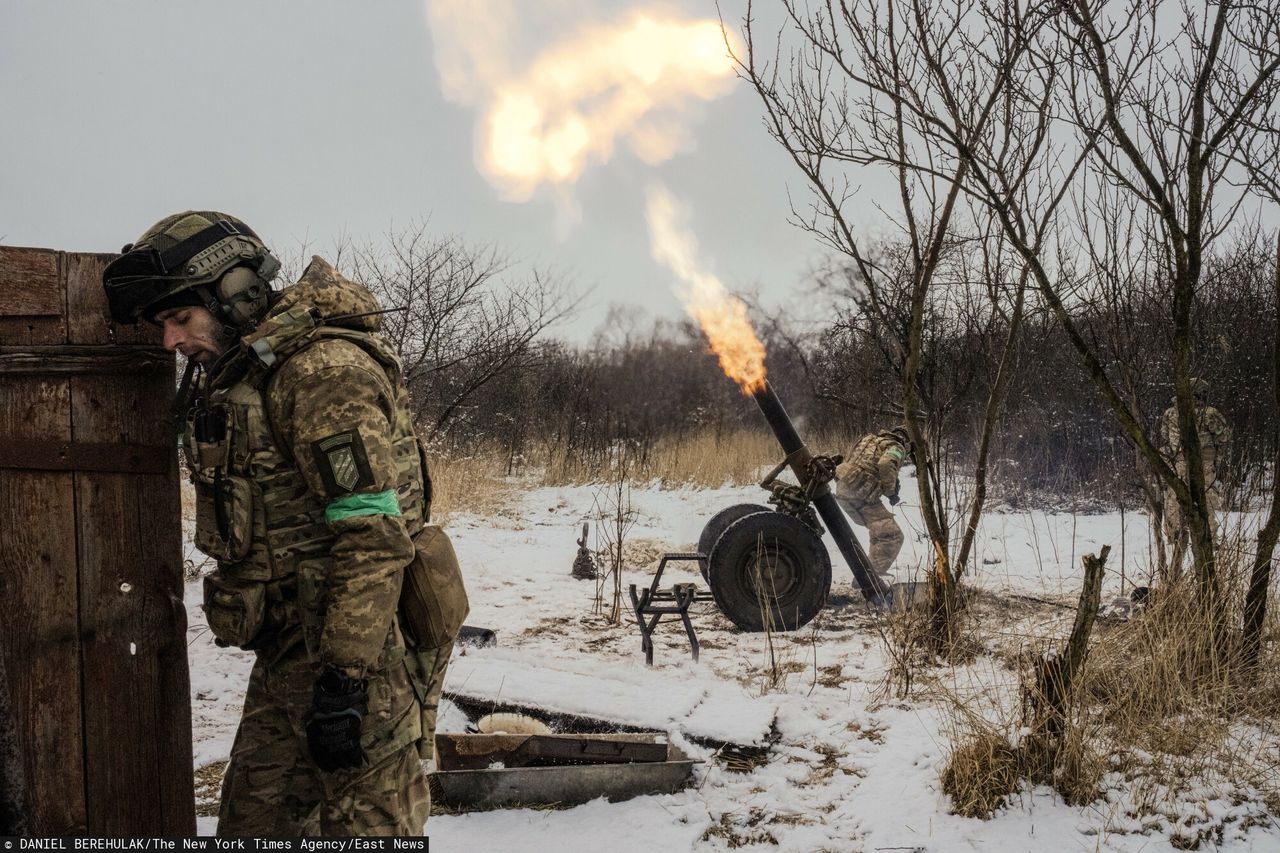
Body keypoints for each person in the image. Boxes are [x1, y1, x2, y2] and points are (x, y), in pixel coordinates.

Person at [102, 211, 466, 836]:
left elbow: (373, 534)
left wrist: (344, 684)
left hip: (356, 662)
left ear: (237, 290)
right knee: (255, 823)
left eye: (179, 320)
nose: (170, 343)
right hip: (289, 653)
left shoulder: (322, 374)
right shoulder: (250, 371)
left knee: (367, 831)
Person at [1159, 377, 1232, 573]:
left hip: (1177, 462)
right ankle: (1208, 537)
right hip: (1203, 463)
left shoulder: (1170, 413)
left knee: (1175, 498)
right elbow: (1224, 435)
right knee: (1206, 499)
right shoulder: (1209, 413)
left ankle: (1174, 534)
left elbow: (1165, 436)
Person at [834, 425, 912, 588]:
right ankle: (869, 581)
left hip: (844, 490)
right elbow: (885, 464)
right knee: (892, 536)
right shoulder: (896, 446)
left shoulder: (868, 439)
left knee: (879, 532)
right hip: (860, 493)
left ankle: (866, 574)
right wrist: (891, 492)